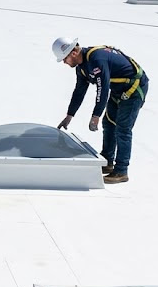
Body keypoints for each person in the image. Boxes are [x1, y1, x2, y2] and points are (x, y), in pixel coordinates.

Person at [52, 37, 148, 184]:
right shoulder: (82, 68)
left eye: (64, 59)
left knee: (122, 129)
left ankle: (121, 171)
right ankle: (108, 161)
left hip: (134, 89)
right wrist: (69, 115)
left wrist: (95, 115)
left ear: (73, 53)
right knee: (109, 124)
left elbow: (102, 89)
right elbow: (79, 91)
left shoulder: (97, 59)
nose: (64, 63)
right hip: (118, 90)